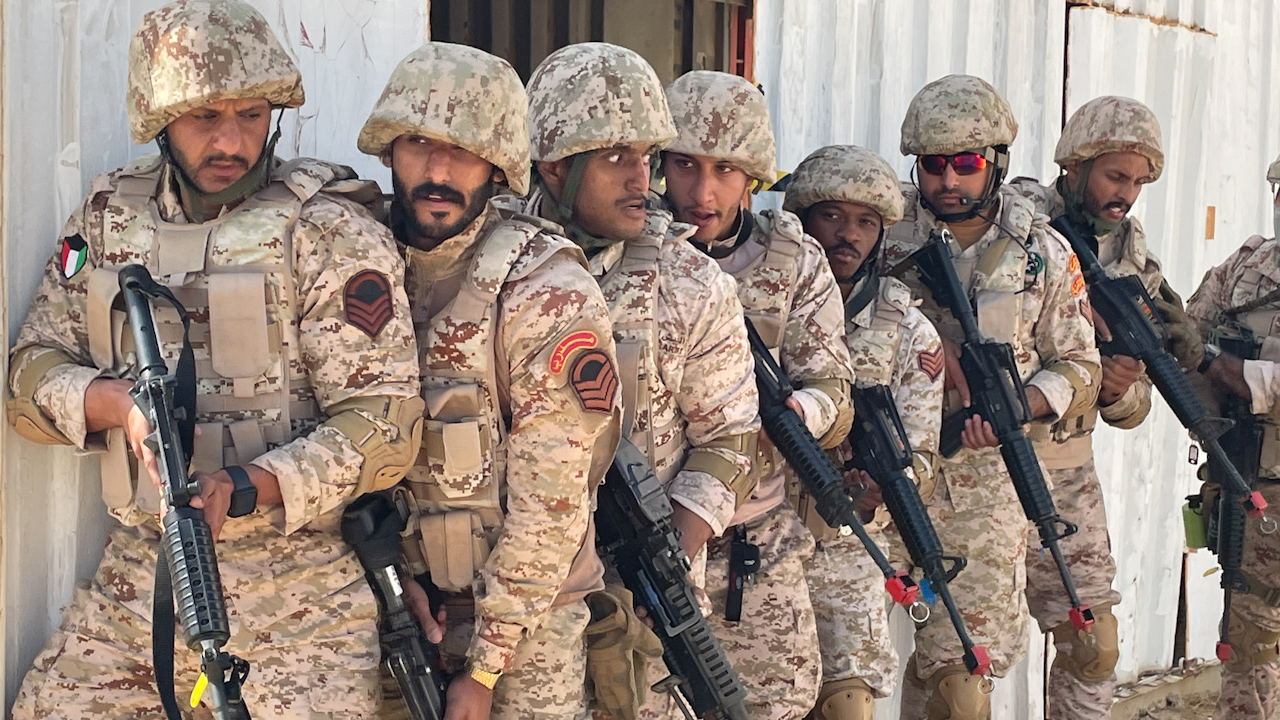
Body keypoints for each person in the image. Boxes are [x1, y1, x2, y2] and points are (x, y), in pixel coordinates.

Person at [4, 1, 423, 717]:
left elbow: (385, 425)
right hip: (142, 578)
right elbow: (28, 376)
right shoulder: (110, 218)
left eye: (252, 115)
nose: (231, 140)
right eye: (205, 116)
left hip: (298, 598)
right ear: (160, 119)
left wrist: (248, 484)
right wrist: (118, 406)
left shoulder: (324, 228)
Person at [356, 42, 624, 720]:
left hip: (525, 624)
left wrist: (483, 668)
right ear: (389, 149)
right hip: (388, 607)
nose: (438, 171)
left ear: (499, 165)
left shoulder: (544, 286)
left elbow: (551, 505)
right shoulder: (352, 257)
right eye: (419, 143)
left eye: (464, 151)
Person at [517, 42, 761, 720]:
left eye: (648, 157)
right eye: (614, 157)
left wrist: (666, 558)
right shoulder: (494, 267)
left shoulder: (689, 284)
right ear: (555, 164)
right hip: (523, 605)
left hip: (644, 607)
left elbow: (730, 442)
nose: (641, 179)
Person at [882, 74, 1101, 720]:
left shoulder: (1041, 252)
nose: (948, 179)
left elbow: (1081, 366)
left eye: (966, 164)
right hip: (879, 471)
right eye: (933, 165)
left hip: (979, 493)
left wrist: (1022, 405)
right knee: (840, 679)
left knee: (960, 685)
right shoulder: (881, 233)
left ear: (996, 162)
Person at [661, 70, 851, 719]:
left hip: (755, 545)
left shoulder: (792, 259)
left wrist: (802, 413)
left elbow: (834, 388)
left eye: (725, 169)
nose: (702, 191)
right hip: (651, 542)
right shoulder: (631, 253)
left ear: (753, 176)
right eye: (684, 165)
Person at [1007, 95, 1201, 719]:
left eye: (1139, 182)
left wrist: (1117, 388)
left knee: (1093, 645)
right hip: (984, 461)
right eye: (1116, 176)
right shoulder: (1013, 222)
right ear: (1075, 164)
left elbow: (1135, 408)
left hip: (1066, 466)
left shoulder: (1133, 260)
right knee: (961, 658)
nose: (1127, 194)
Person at [780, 144, 944, 720]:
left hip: (845, 543)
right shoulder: (754, 309)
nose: (847, 234)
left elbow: (922, 455)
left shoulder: (908, 331)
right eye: (831, 216)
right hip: (759, 532)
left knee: (846, 705)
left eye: (866, 222)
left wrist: (885, 484)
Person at [1185, 151, 1280, 720]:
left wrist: (1230, 371)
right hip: (1249, 484)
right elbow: (1187, 341)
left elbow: (1210, 361)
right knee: (1248, 646)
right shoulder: (1247, 268)